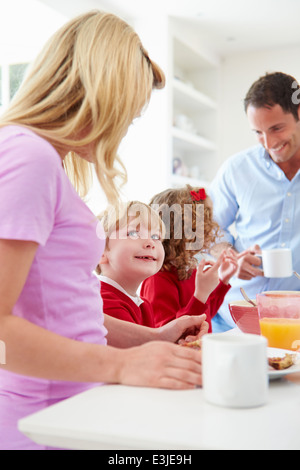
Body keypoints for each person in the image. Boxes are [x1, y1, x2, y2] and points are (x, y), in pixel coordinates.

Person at [0, 11, 206, 450]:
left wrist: (152, 339)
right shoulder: (29, 158)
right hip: (43, 420)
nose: (124, 129)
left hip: (74, 407)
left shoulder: (43, 161)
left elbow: (63, 317)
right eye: (127, 114)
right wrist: (122, 367)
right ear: (100, 94)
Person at [208, 71, 300, 332]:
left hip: (292, 323)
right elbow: (207, 230)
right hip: (232, 317)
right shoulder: (237, 169)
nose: (269, 143)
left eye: (276, 128)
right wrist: (231, 257)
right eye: (258, 132)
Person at [96, 200, 209, 336]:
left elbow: (150, 346)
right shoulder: (104, 302)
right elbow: (140, 354)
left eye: (156, 236)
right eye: (133, 233)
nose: (150, 243)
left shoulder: (143, 304)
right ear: (100, 252)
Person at [140, 185, 238, 331]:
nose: (213, 227)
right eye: (206, 220)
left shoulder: (187, 269)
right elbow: (169, 335)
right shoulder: (157, 280)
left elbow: (205, 314)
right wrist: (201, 293)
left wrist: (223, 280)